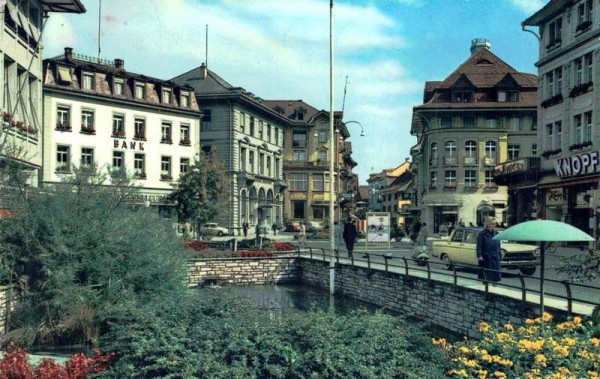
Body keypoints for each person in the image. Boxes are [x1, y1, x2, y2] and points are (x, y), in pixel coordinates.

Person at [476, 216, 501, 282]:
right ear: (488, 224)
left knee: (495, 275)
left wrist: (499, 254)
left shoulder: (496, 233)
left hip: (495, 257)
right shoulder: (482, 234)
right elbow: (479, 246)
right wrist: (479, 255)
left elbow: (498, 245)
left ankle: (494, 286)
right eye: (492, 224)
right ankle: (486, 287)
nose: (494, 225)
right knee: (487, 275)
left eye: (495, 224)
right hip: (486, 257)